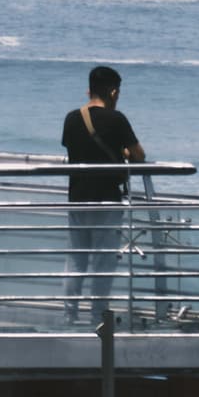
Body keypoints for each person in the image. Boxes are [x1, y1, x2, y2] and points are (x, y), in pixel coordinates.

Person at [59, 64, 148, 320]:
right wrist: (125, 154)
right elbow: (139, 155)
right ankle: (99, 316)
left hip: (77, 198)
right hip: (107, 200)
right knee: (103, 262)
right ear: (113, 92)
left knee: (75, 261)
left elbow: (73, 149)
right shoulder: (116, 119)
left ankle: (69, 315)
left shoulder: (72, 118)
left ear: (89, 91)